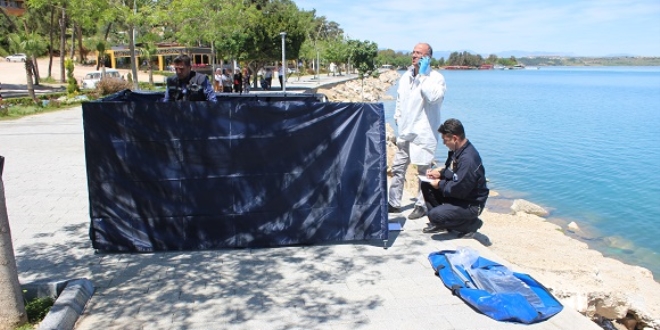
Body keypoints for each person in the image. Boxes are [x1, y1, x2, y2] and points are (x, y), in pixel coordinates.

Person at [388, 42, 446, 220]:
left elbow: (434, 98)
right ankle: (393, 203)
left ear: (428, 57)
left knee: (423, 172)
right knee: (398, 168)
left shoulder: (436, 78)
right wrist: (397, 118)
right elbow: (400, 100)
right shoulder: (405, 76)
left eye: (419, 53)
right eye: (413, 52)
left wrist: (423, 76)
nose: (414, 55)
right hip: (406, 131)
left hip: (423, 133)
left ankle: (422, 204)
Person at [419, 118, 489, 237]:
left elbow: (459, 189)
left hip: (471, 204)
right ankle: (440, 223)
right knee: (426, 184)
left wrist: (439, 184)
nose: (444, 143)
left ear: (455, 138)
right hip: (460, 196)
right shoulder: (456, 151)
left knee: (434, 215)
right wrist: (439, 174)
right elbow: (452, 172)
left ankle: (470, 224)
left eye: (445, 140)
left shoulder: (468, 160)